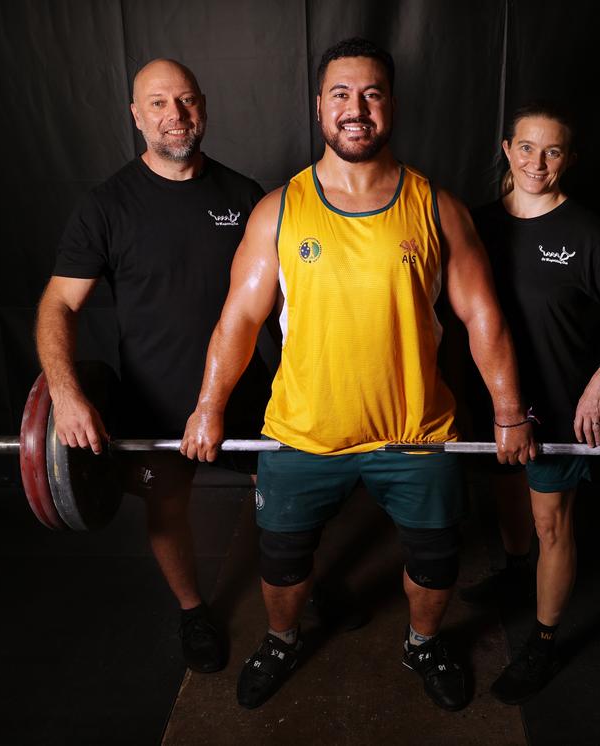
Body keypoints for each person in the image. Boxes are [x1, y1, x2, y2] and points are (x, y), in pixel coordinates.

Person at [180, 38, 535, 712]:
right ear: (319, 108)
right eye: (341, 94)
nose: (356, 108)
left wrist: (512, 413)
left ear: (392, 106)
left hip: (417, 435)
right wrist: (209, 406)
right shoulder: (280, 210)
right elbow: (238, 321)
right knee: (282, 562)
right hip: (302, 433)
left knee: (435, 562)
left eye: (371, 94)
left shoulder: (436, 208)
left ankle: (423, 644)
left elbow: (483, 318)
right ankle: (283, 638)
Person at [35, 58, 273, 674]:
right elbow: (59, 302)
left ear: (205, 106)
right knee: (166, 508)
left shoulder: (244, 196)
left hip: (248, 390)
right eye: (159, 104)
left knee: (285, 498)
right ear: (136, 116)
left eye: (187, 101)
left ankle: (297, 582)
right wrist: (65, 392)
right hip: (157, 398)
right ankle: (195, 610)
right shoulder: (106, 206)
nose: (176, 116)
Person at [460, 102, 600, 704]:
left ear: (569, 160)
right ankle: (516, 573)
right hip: (493, 402)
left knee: (552, 521)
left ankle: (545, 641)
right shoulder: (475, 226)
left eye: (552, 152)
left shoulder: (584, 233)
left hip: (555, 406)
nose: (537, 163)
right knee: (504, 489)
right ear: (507, 150)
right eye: (526, 148)